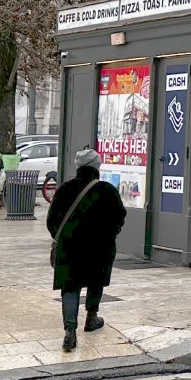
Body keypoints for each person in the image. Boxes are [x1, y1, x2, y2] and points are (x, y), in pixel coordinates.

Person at [46, 149, 126, 352]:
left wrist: (61, 237)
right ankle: (92, 317)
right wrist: (109, 235)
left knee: (70, 287)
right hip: (100, 246)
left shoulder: (65, 189)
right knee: (95, 279)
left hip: (69, 246)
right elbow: (119, 216)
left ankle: (70, 332)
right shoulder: (107, 190)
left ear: (78, 167)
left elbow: (51, 220)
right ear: (97, 166)